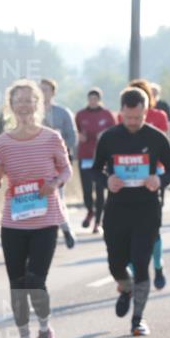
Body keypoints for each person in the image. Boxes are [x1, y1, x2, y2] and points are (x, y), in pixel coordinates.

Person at [0, 80, 72, 338]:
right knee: (17, 283)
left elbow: (66, 170)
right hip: (14, 221)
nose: (23, 104)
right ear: (11, 106)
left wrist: (54, 183)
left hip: (45, 219)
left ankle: (45, 331)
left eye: (28, 99)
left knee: (36, 280)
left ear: (38, 103)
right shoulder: (1, 142)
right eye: (18, 100)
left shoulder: (51, 137)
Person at [93, 88, 170, 336]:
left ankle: (138, 319)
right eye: (128, 118)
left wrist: (159, 180)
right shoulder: (109, 138)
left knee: (141, 264)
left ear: (145, 113)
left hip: (146, 210)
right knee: (115, 263)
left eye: (138, 118)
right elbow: (94, 169)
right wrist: (106, 181)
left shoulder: (156, 137)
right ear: (121, 112)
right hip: (117, 210)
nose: (132, 122)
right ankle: (125, 287)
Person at [127, 79, 170, 288]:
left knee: (152, 227)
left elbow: (165, 148)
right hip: (128, 177)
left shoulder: (159, 117)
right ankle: (136, 273)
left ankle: (158, 265)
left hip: (154, 175)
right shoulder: (124, 117)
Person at [40, 78, 78, 249]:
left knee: (57, 197)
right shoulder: (31, 113)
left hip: (57, 163)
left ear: (53, 92)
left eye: (46, 90)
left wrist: (60, 150)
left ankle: (66, 229)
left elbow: (72, 137)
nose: (43, 93)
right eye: (40, 90)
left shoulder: (62, 113)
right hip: (36, 162)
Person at [74, 88, 116, 234]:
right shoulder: (80, 115)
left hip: (101, 157)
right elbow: (75, 131)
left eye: (95, 99)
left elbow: (115, 132)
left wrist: (104, 135)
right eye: (90, 98)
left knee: (99, 190)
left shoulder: (106, 114)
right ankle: (90, 210)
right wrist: (79, 136)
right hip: (85, 156)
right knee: (86, 190)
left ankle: (98, 222)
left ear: (99, 99)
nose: (93, 101)